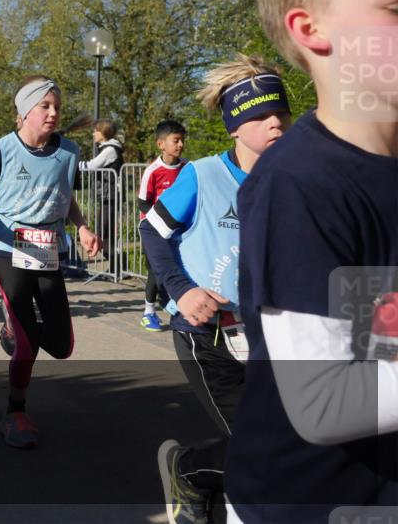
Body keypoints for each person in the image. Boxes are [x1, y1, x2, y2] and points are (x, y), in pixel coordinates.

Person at [223, 0, 398, 523]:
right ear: (311, 29)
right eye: (395, 7)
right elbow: (324, 402)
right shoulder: (300, 182)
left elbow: (381, 339)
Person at [140, 55, 292, 524]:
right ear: (233, 126)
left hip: (276, 338)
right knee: (262, 448)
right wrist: (182, 289)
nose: (274, 124)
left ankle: (198, 476)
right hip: (207, 336)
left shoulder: (295, 180)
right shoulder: (201, 176)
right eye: (260, 116)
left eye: (280, 114)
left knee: (291, 445)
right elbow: (151, 232)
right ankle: (186, 470)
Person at [0, 76, 102, 448]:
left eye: (57, 106)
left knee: (61, 344)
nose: (53, 113)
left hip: (48, 249)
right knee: (26, 344)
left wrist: (83, 228)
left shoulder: (69, 152)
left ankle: (12, 334)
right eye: (45, 106)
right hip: (8, 249)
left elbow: (65, 196)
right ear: (23, 112)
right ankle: (15, 411)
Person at [136, 120, 187, 332]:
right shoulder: (153, 171)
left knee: (182, 267)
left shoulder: (187, 168)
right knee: (156, 272)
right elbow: (142, 202)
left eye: (183, 140)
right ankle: (148, 312)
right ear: (161, 144)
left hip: (179, 230)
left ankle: (178, 306)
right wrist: (161, 220)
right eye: (176, 140)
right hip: (153, 230)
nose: (181, 144)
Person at [79, 119, 124, 272]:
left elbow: (92, 165)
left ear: (103, 132)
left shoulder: (110, 150)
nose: (93, 133)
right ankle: (116, 268)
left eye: (95, 131)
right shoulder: (107, 148)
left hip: (110, 196)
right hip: (107, 196)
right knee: (106, 233)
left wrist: (71, 163)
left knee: (102, 233)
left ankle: (118, 267)